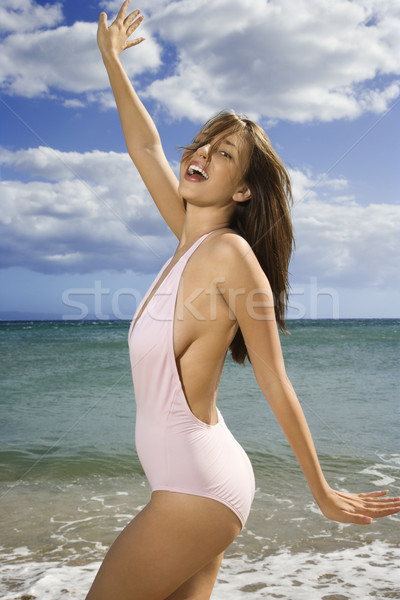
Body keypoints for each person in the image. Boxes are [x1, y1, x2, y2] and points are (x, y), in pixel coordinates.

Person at [88, 2, 400, 598]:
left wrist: (323, 492)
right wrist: (111, 62)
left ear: (244, 187)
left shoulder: (229, 255)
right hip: (192, 484)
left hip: (197, 491)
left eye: (223, 153)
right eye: (202, 143)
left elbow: (274, 380)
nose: (200, 154)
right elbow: (144, 147)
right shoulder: (187, 240)